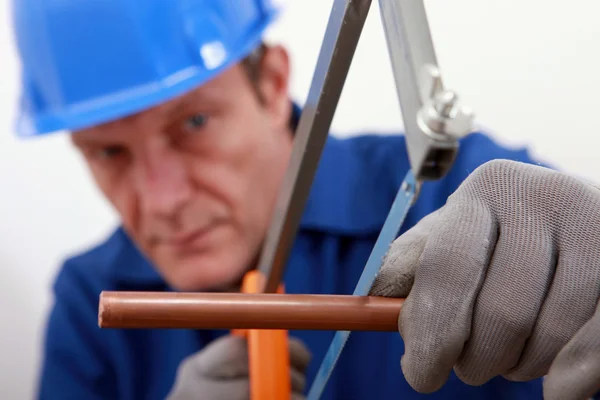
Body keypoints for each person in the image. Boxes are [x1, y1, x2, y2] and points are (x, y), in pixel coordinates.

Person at [11, 0, 600, 399]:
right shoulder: (88, 302)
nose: (162, 199)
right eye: (109, 153)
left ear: (270, 87)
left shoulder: (452, 191)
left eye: (192, 122)